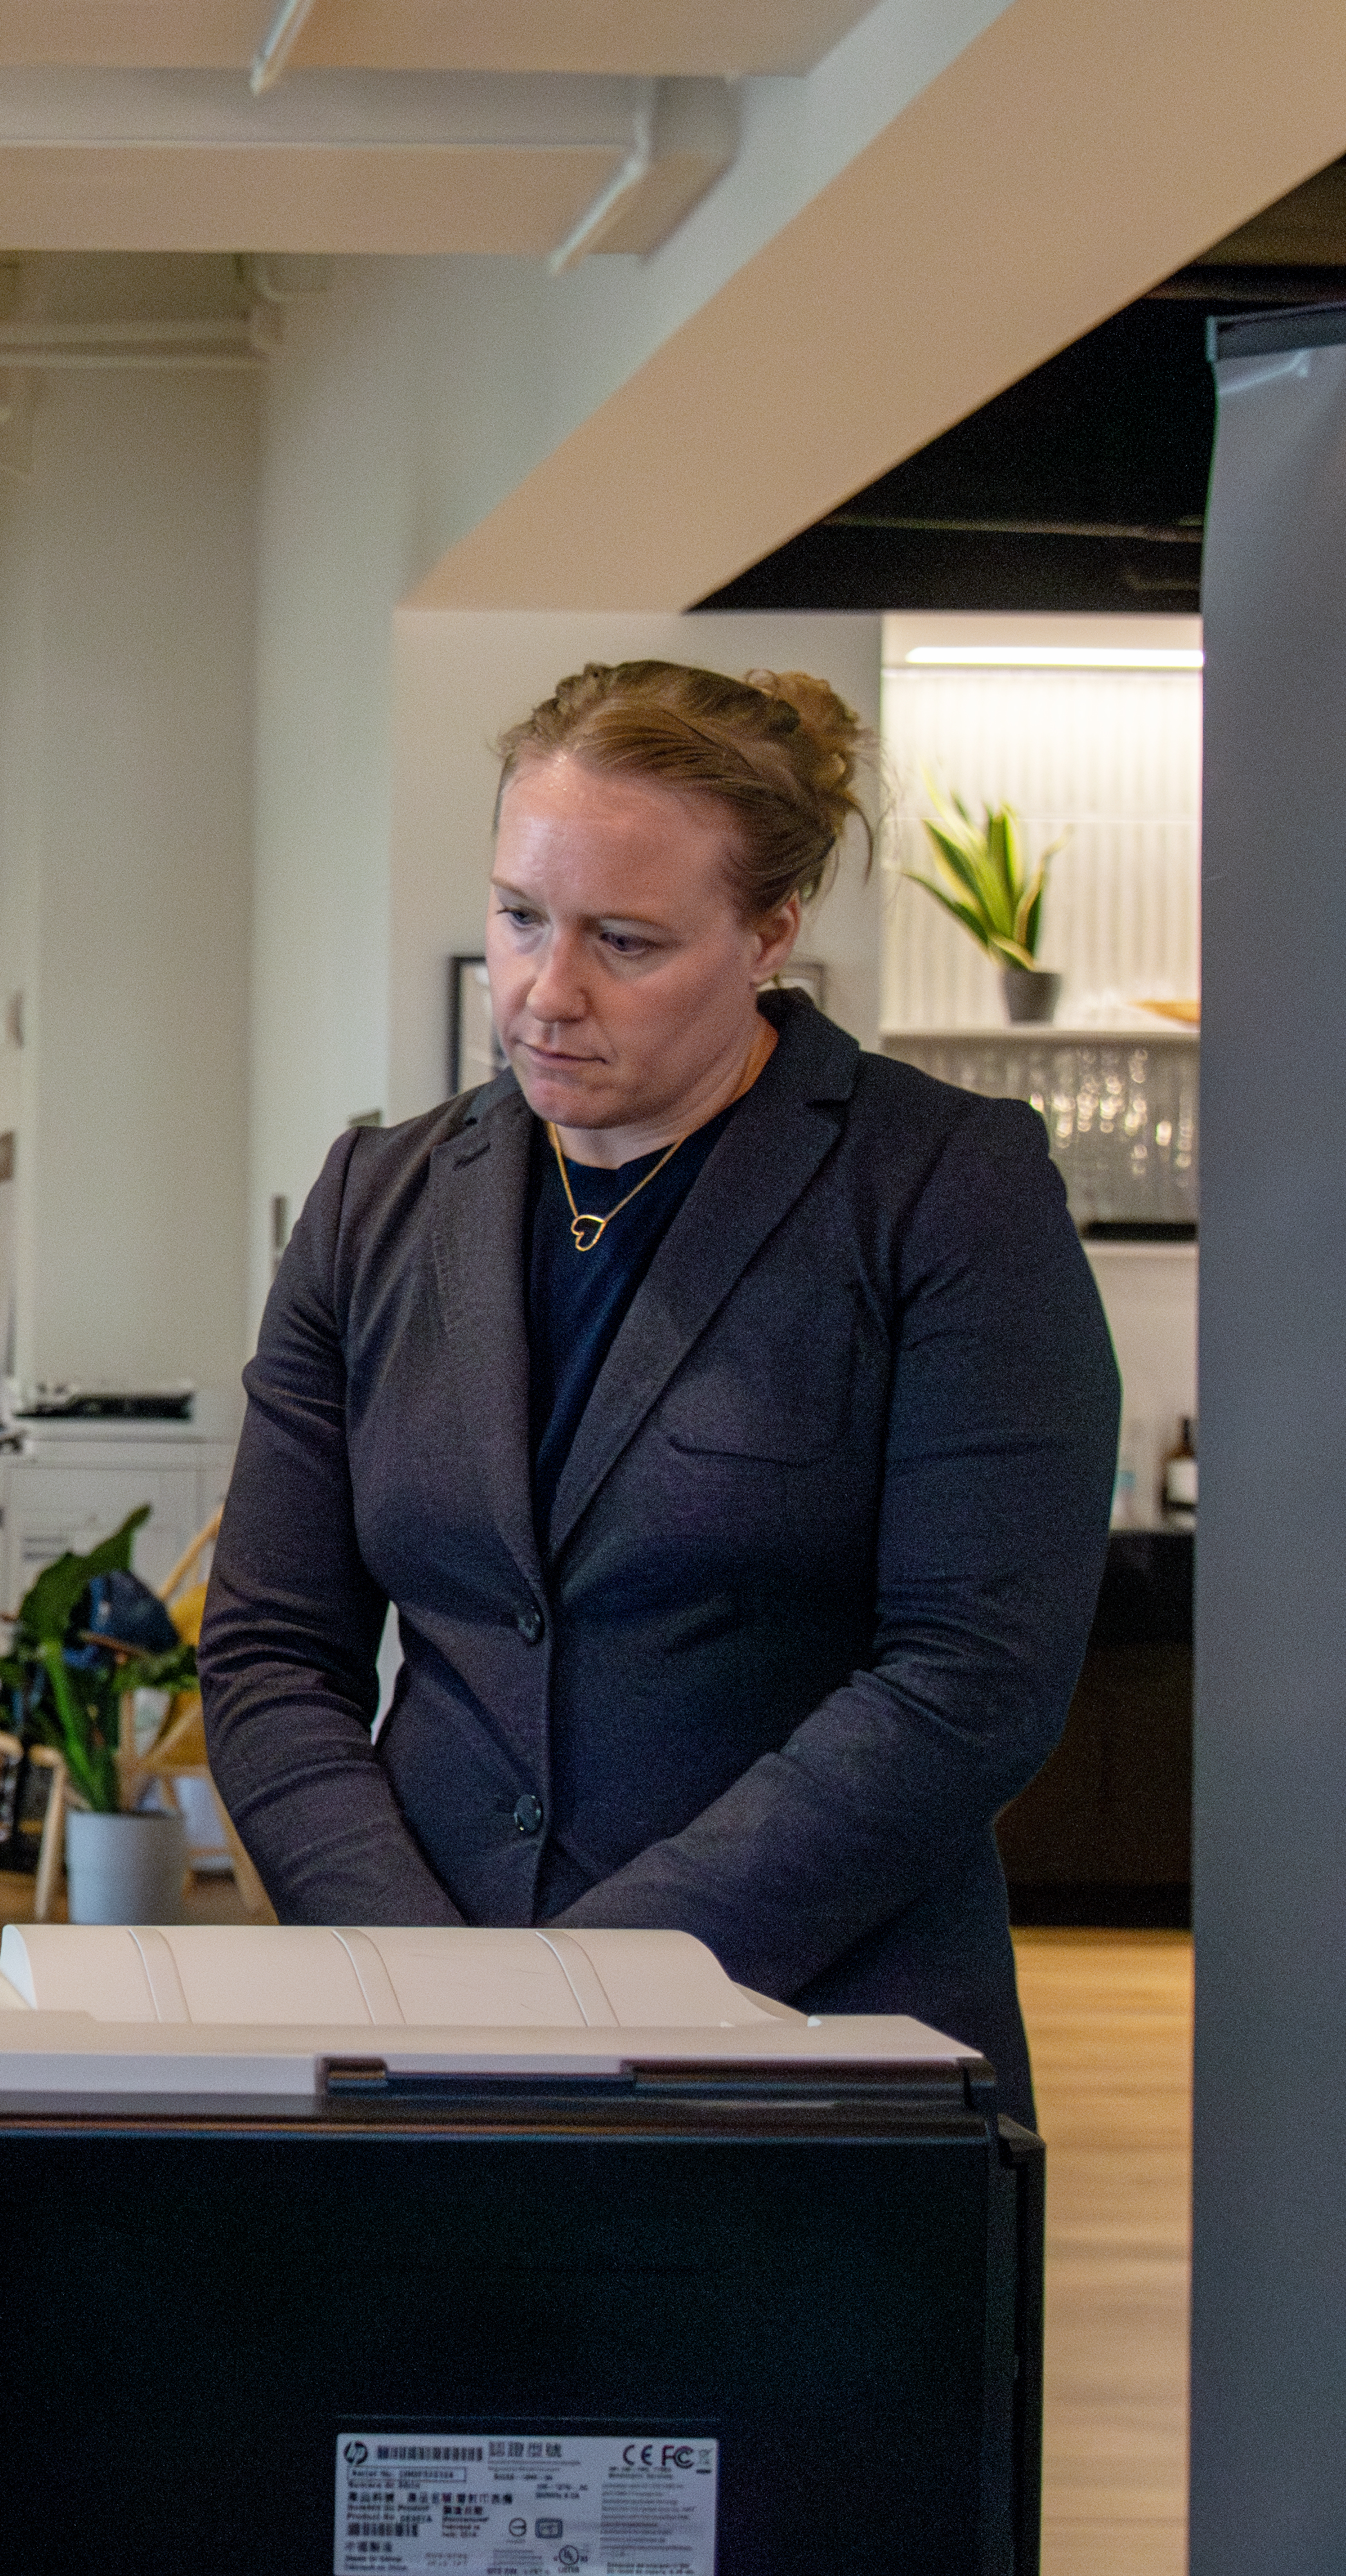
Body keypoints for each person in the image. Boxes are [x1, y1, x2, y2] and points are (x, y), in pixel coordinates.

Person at [201, 662, 1117, 2119]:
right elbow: (269, 1649)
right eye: (517, 917)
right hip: (413, 2040)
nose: (545, 992)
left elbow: (970, 1678)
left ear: (769, 933)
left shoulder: (942, 1190)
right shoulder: (377, 1199)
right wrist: (422, 1979)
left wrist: (595, 1992)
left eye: (625, 941)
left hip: (810, 2044)